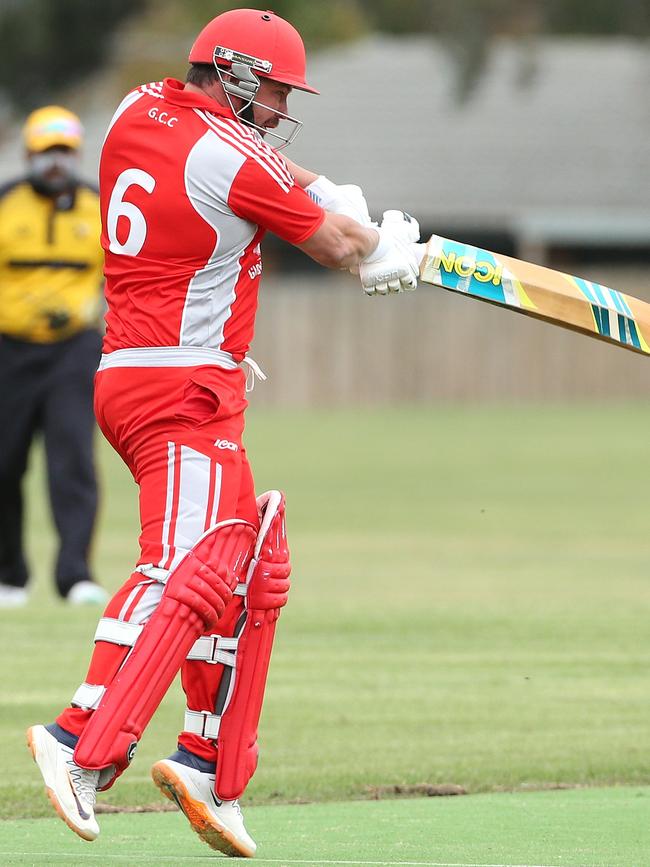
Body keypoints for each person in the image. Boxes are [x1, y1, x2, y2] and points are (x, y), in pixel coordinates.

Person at [26, 9, 421, 857]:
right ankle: (75, 738)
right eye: (274, 91)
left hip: (140, 374)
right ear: (236, 77)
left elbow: (272, 170)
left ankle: (205, 754)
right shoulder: (227, 154)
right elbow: (335, 244)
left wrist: (328, 191)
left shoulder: (140, 108)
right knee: (181, 568)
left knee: (246, 573)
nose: (280, 108)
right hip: (180, 384)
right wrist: (384, 248)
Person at [0, 106, 108, 607]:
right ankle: (9, 576)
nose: (55, 162)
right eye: (46, 153)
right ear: (28, 155)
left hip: (74, 350)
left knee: (72, 461)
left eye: (63, 152)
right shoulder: (5, 204)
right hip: (8, 350)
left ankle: (75, 574)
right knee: (4, 463)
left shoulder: (99, 208)